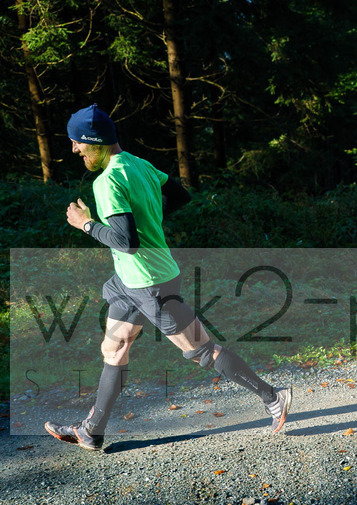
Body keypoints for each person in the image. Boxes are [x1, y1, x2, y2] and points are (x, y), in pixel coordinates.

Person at [44, 104, 291, 451]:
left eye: (76, 143)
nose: (74, 150)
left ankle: (273, 396)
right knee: (114, 347)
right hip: (127, 282)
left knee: (202, 350)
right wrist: (150, 223)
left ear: (93, 141)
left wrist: (85, 223)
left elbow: (125, 241)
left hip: (150, 284)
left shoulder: (108, 180)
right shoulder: (138, 164)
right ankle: (91, 431)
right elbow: (179, 195)